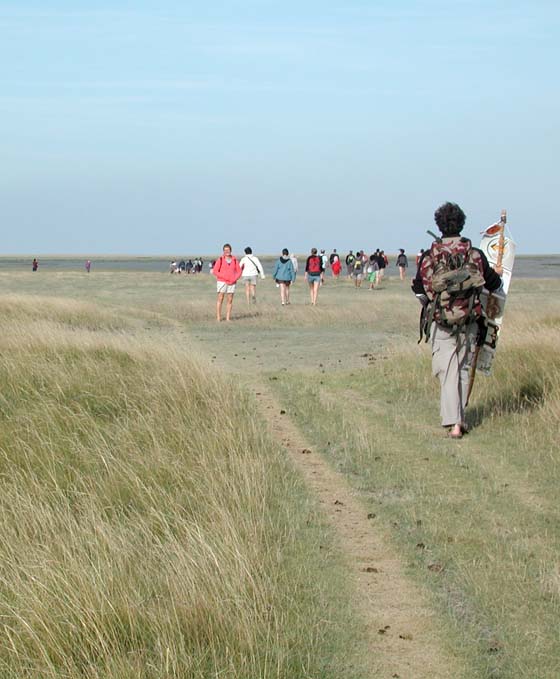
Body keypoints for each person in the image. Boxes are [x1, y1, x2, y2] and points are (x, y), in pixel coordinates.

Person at [412, 202, 502, 439]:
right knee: (461, 369)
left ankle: (454, 425)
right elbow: (494, 284)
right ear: (461, 223)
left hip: (441, 321)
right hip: (470, 320)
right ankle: (458, 421)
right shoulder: (474, 254)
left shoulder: (429, 255)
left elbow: (419, 288)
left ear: (439, 225)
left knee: (447, 371)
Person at [212, 243, 242, 322]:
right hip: (222, 282)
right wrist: (224, 277)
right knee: (220, 298)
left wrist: (234, 279)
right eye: (225, 250)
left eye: (228, 250)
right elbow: (215, 271)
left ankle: (228, 318)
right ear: (223, 251)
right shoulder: (220, 259)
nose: (227, 251)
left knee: (230, 299)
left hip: (232, 282)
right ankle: (218, 317)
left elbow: (239, 271)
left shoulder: (234, 260)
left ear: (231, 250)